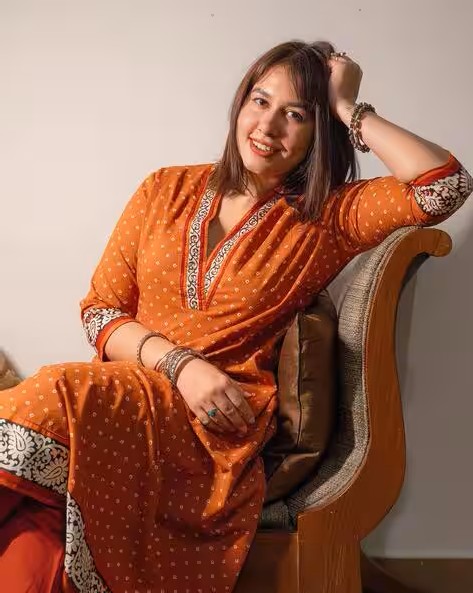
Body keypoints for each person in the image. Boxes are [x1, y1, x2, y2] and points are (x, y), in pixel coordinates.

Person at [0, 40, 471, 593]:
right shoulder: (164, 188)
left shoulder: (328, 216)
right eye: (260, 101)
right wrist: (179, 365)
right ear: (240, 103)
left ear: (320, 131)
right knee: (34, 545)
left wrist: (349, 107)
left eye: (296, 114)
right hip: (123, 401)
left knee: (56, 387)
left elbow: (444, 184)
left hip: (211, 429)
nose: (268, 127)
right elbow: (100, 311)